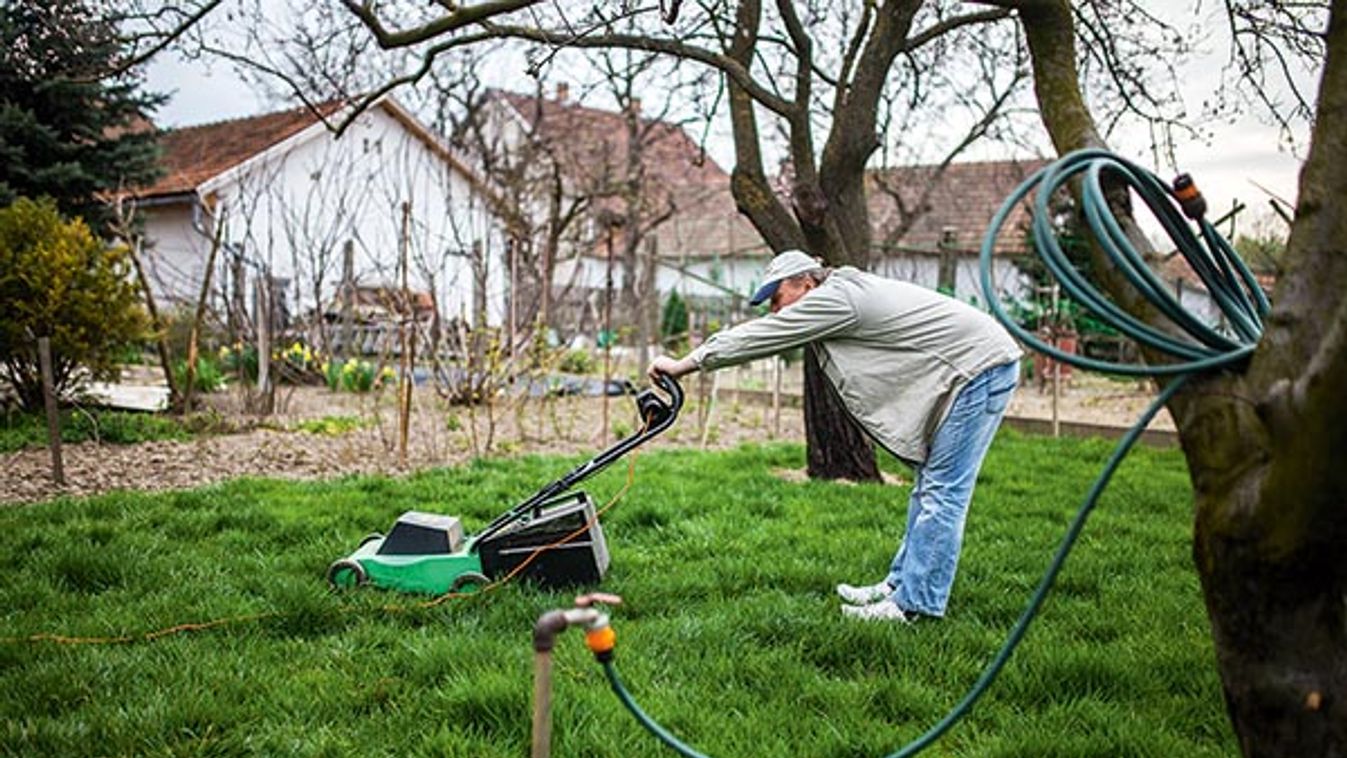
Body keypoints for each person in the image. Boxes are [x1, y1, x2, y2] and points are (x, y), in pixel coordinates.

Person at [647, 249, 1022, 622]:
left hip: (980, 368)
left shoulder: (837, 299)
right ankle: (899, 587)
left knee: (943, 492)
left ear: (805, 282)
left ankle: (915, 606)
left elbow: (764, 334)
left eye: (777, 298)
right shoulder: (841, 291)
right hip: (976, 365)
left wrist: (684, 364)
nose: (775, 311)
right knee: (929, 487)